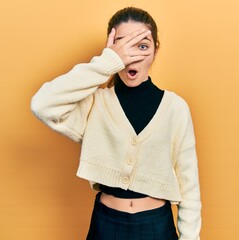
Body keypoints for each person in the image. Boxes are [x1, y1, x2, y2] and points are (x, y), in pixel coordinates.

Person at [31, 7, 201, 240]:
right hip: (106, 225)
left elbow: (189, 187)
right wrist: (107, 63)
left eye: (142, 46)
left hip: (157, 226)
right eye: (124, 46)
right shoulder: (95, 103)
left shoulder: (176, 108)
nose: (132, 56)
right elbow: (42, 104)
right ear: (112, 50)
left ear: (155, 50)